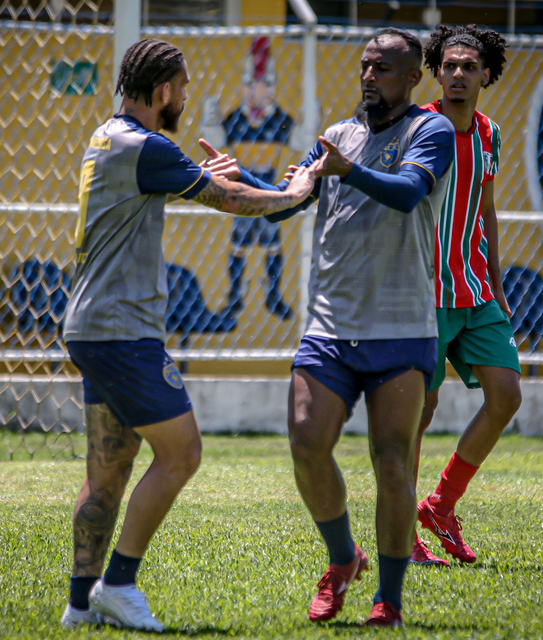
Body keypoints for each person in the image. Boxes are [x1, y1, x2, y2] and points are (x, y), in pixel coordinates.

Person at [59, 38, 319, 632]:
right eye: (182, 87)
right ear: (162, 93)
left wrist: (207, 177)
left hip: (91, 325)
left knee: (110, 468)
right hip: (123, 332)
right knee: (183, 453)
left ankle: (79, 606)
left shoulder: (109, 137)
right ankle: (118, 584)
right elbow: (229, 198)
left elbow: (198, 184)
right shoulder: (149, 147)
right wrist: (297, 192)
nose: (186, 97)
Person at [206, 27, 455, 627]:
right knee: (305, 441)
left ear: (413, 76)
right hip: (329, 327)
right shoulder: (338, 137)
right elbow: (293, 198)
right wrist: (239, 180)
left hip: (400, 328)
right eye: (366, 65)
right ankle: (343, 561)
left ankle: (388, 601)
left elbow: (409, 192)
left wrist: (348, 171)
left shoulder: (432, 131)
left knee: (393, 463)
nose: (370, 76)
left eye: (385, 68)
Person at [410, 25, 522, 567]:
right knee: (417, 412)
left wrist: (498, 287)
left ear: (486, 75)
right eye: (448, 65)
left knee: (505, 396)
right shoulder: (417, 127)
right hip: (423, 294)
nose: (457, 74)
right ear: (436, 71)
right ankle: (400, 535)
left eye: (468, 67)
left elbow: (486, 209)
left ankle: (441, 505)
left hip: (474, 290)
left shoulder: (489, 132)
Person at [202, 36, 310, 320]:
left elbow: (300, 140)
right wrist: (210, 118)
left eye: (265, 84)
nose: (257, 92)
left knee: (272, 244)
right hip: (238, 186)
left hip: (268, 187)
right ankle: (235, 295)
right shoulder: (236, 119)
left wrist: (309, 117)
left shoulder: (278, 122)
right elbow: (215, 137)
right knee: (238, 245)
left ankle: (273, 295)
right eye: (250, 84)